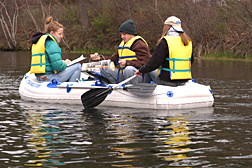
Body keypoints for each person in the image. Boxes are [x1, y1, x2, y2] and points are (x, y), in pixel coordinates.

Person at [135, 16, 194, 86]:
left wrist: (141, 70)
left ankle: (143, 92)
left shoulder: (166, 42)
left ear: (167, 27)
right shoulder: (187, 41)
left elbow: (153, 63)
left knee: (148, 71)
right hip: (184, 80)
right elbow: (191, 61)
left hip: (168, 81)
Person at [91, 19, 151, 84]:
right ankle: (117, 87)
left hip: (138, 76)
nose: (122, 37)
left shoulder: (139, 44)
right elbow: (113, 59)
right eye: (121, 34)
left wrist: (127, 63)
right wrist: (99, 58)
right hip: (124, 76)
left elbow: (146, 63)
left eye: (124, 34)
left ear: (131, 34)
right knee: (104, 68)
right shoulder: (123, 44)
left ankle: (132, 89)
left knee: (128, 69)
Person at [29, 16, 82, 82]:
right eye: (59, 34)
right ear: (52, 33)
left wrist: (61, 62)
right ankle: (71, 88)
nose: (61, 36)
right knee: (78, 66)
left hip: (40, 77)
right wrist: (66, 63)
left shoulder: (42, 41)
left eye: (62, 34)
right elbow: (58, 66)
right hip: (49, 77)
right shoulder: (52, 44)